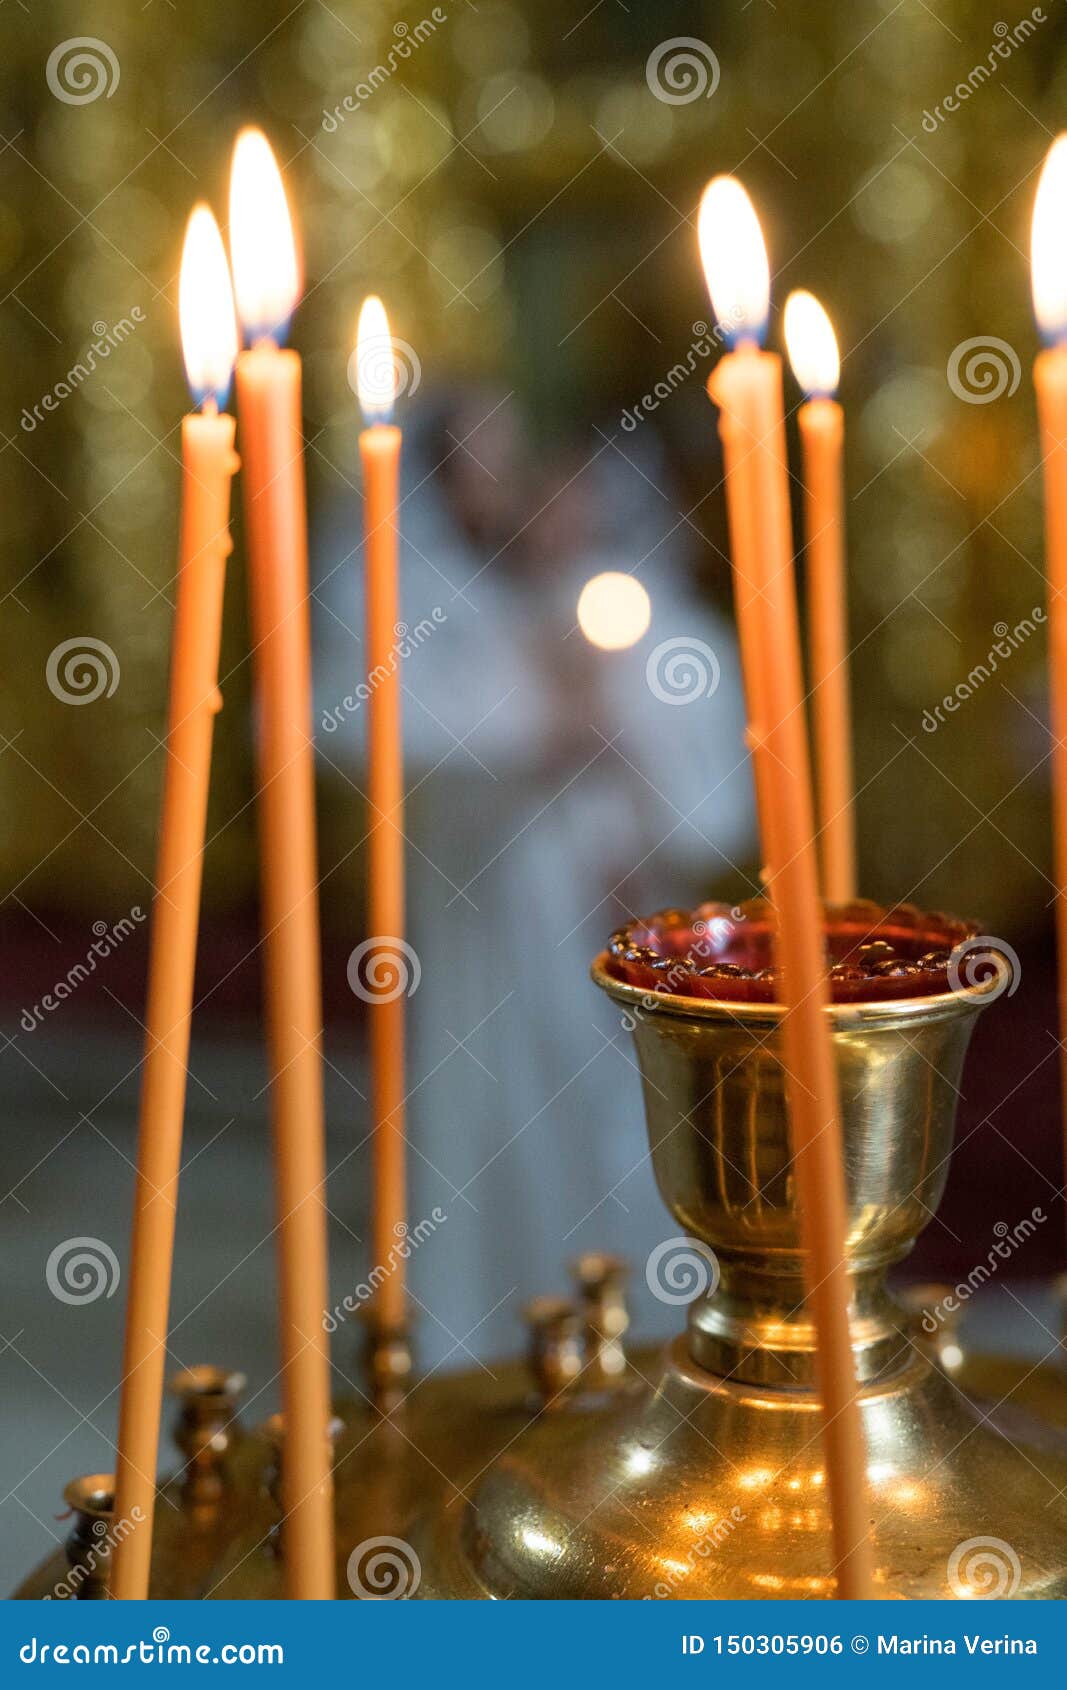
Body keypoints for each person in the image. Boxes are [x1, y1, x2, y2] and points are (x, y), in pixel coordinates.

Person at [316, 391, 755, 1367]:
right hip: (491, 939)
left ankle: (640, 1338)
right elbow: (364, 728)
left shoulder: (675, 636)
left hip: (617, 937)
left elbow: (717, 806)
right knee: (494, 1128)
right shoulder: (462, 615)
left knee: (622, 1132)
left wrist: (636, 787)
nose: (543, 510)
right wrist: (543, 728)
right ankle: (487, 1344)